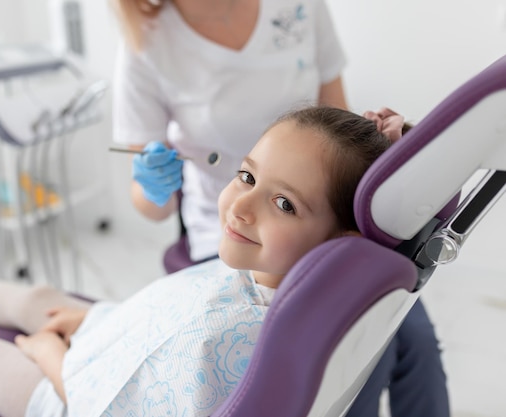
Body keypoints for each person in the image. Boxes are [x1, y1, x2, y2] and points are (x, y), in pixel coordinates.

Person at [109, 1, 450, 416]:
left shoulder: (299, 6)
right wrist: (154, 187)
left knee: (409, 333)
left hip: (318, 225)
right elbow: (151, 208)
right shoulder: (148, 42)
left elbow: (337, 127)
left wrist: (387, 149)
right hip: (231, 240)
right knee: (356, 356)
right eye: (246, 176)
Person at [0, 106, 407, 417]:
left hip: (70, 398)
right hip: (107, 346)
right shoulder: (259, 273)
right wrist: (99, 325)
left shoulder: (240, 337)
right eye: (247, 176)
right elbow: (162, 326)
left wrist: (50, 354)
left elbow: (109, 406)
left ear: (340, 243)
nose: (240, 207)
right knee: (39, 297)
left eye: (283, 204)